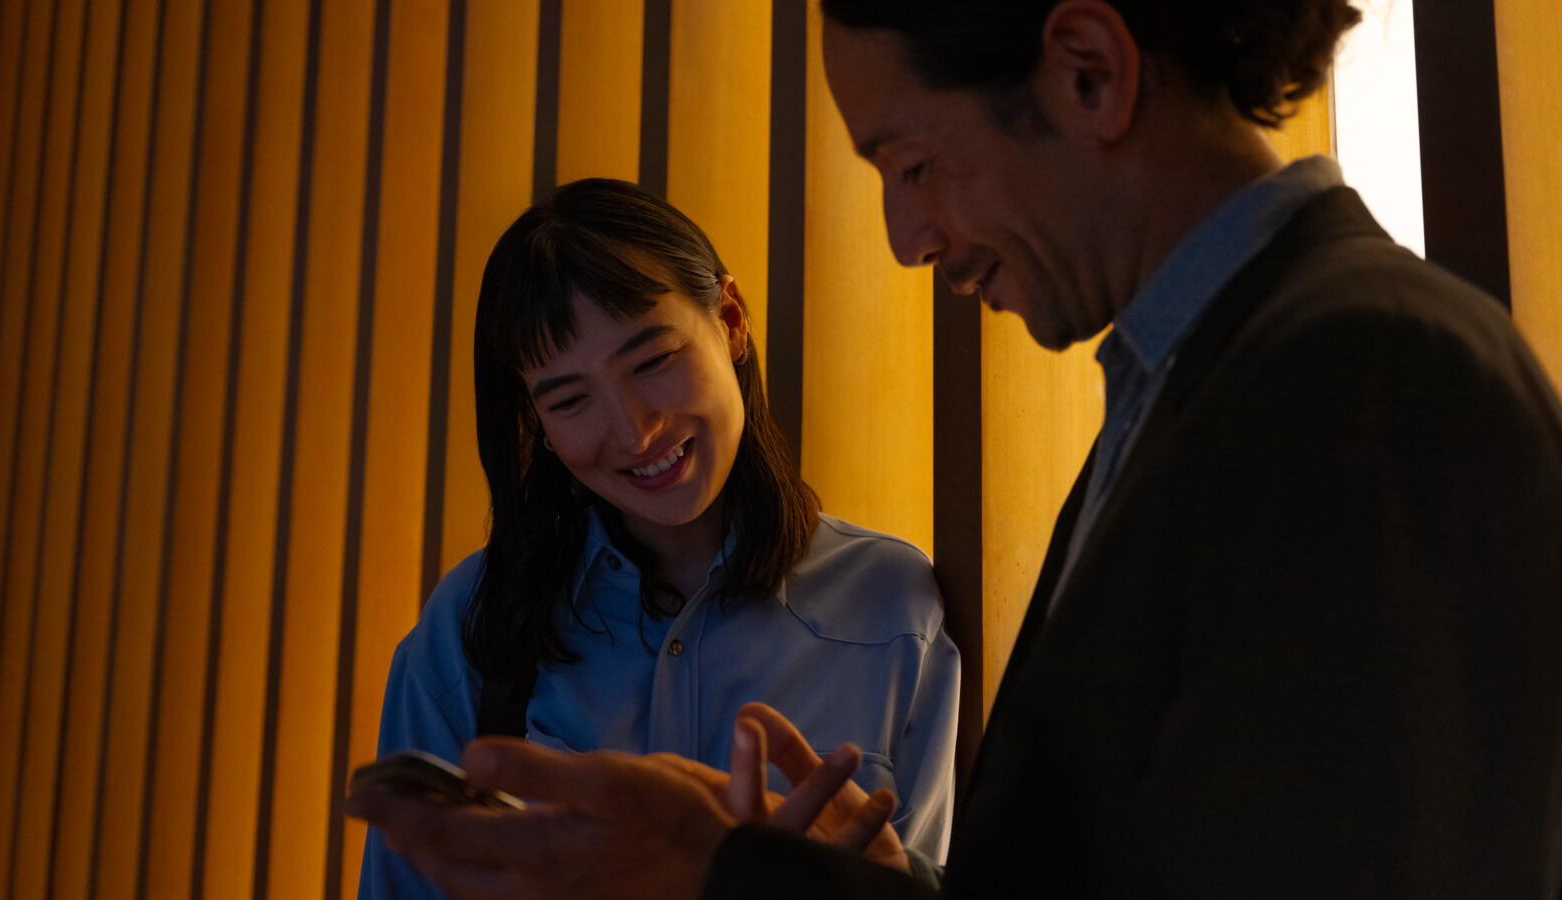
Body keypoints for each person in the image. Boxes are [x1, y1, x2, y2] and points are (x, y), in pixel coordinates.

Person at [348, 2, 1562, 897]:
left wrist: (713, 871)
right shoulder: (1198, 394)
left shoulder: (1362, 382)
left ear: (1089, 72)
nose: (904, 239)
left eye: (912, 164)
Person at [356, 178, 960, 897]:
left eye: (652, 361)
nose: (635, 430)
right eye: (571, 399)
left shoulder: (890, 606)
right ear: (538, 424)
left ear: (731, 321)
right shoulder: (469, 631)